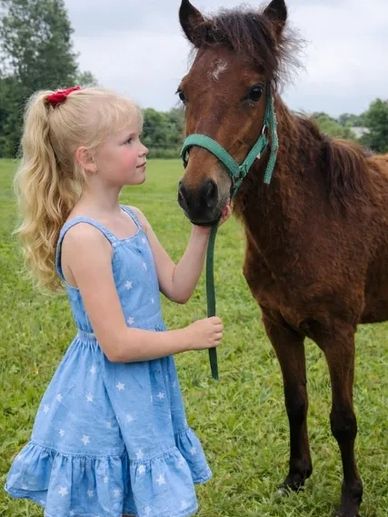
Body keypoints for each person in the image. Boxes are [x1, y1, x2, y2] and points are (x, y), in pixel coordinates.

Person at [4, 86, 231, 517]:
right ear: (88, 159)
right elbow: (117, 345)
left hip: (144, 384)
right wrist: (188, 337)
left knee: (136, 492)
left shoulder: (133, 218)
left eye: (140, 138)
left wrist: (202, 230)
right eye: (129, 141)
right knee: (106, 497)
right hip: (104, 392)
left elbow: (178, 287)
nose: (144, 149)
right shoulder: (86, 237)